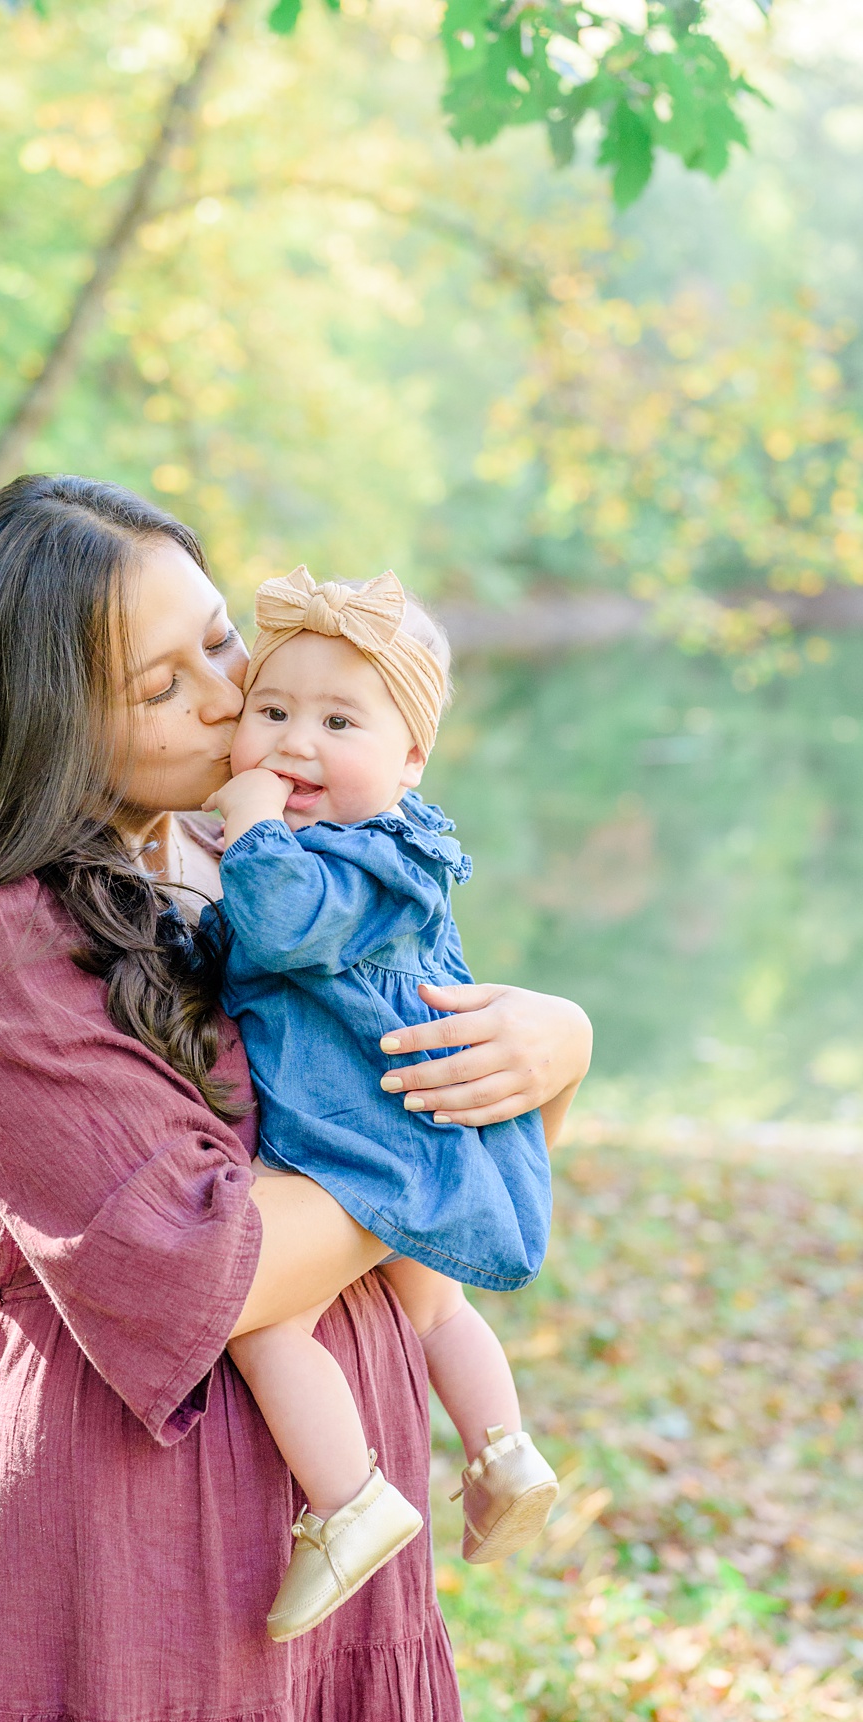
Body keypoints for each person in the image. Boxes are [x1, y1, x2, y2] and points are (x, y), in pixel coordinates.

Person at [0, 476, 592, 1722]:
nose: (225, 690)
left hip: (340, 1457)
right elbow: (211, 1263)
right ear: (46, 729)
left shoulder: (250, 853)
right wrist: (422, 1142)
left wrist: (552, 1046)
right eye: (163, 684)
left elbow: (424, 1062)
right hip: (142, 1499)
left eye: (216, 638)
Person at [205, 566, 561, 1643]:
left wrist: (253, 828)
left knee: (267, 1325)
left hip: (358, 1139)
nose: (293, 744)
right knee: (435, 1305)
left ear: (410, 760)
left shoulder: (367, 859)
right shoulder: (367, 848)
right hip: (396, 1126)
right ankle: (502, 1452)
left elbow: (274, 928)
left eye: (337, 721)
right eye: (272, 712)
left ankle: (349, 1499)